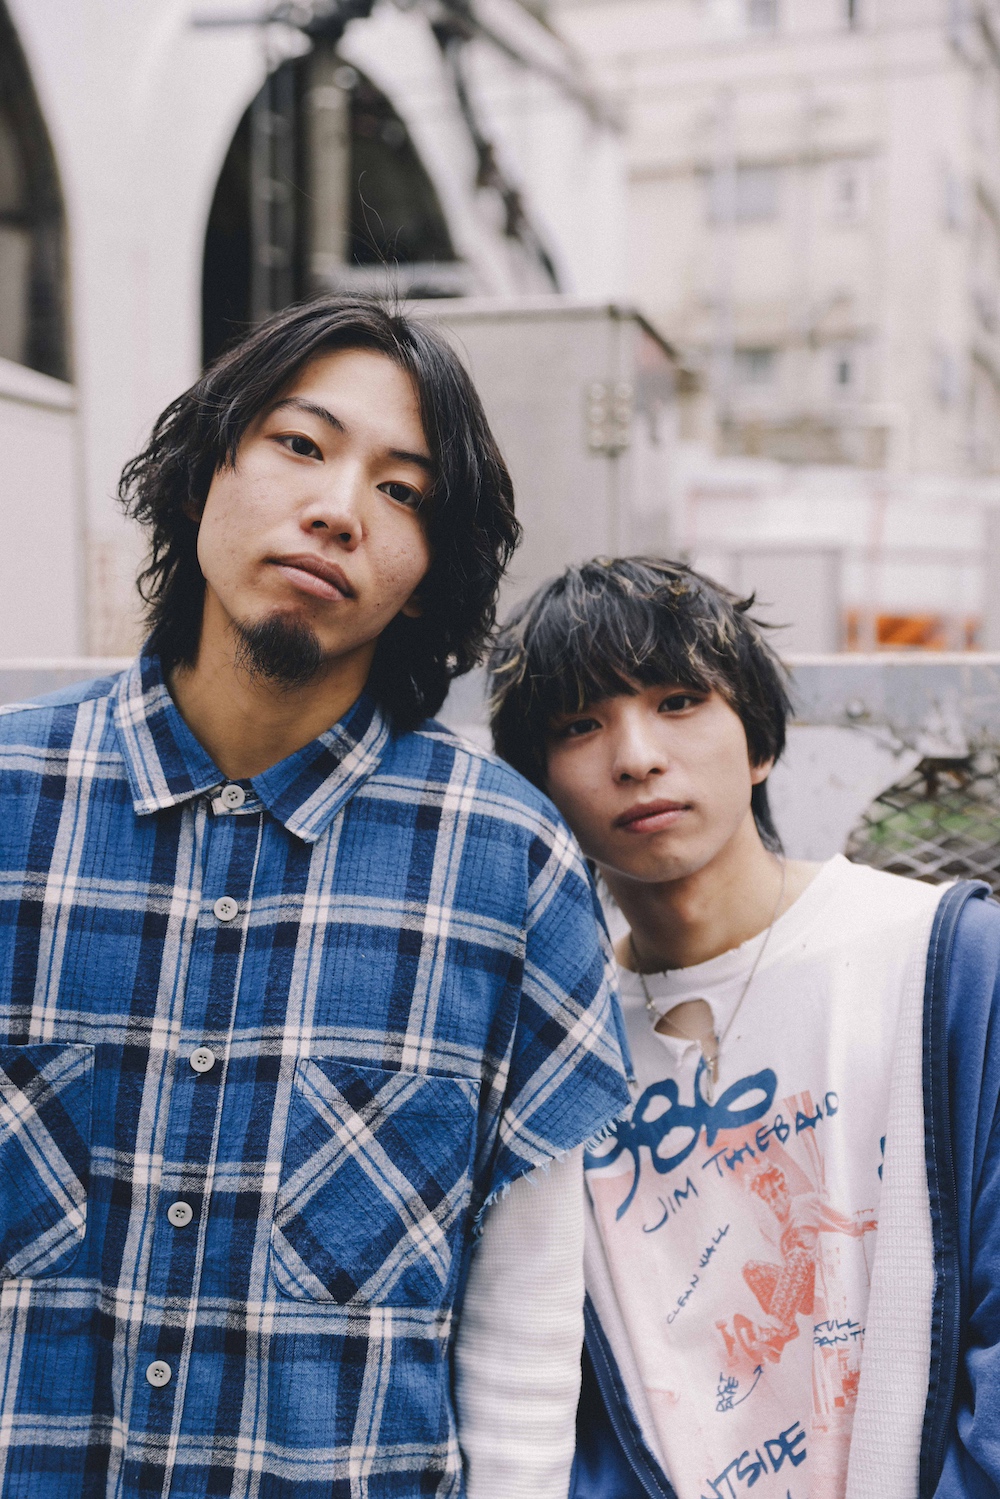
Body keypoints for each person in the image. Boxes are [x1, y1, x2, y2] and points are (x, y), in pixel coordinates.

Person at [0, 299, 630, 1499]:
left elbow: (524, 1318)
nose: (340, 508)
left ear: (430, 573)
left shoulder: (504, 862)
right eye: (300, 443)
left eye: (403, 491)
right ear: (205, 472)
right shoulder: (12, 798)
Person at [488, 555, 1000, 1499]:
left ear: (759, 740)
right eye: (579, 725)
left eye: (680, 701)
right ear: (540, 787)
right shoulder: (554, 1040)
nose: (636, 756)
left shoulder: (948, 958)